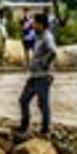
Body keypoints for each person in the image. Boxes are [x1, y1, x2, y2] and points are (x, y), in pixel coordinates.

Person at [17, 11, 56, 139]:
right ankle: (24, 125)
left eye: (35, 23)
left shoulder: (47, 37)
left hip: (43, 76)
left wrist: (44, 63)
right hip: (34, 75)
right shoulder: (38, 36)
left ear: (41, 24)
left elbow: (53, 51)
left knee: (42, 103)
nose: (33, 25)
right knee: (23, 100)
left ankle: (45, 129)